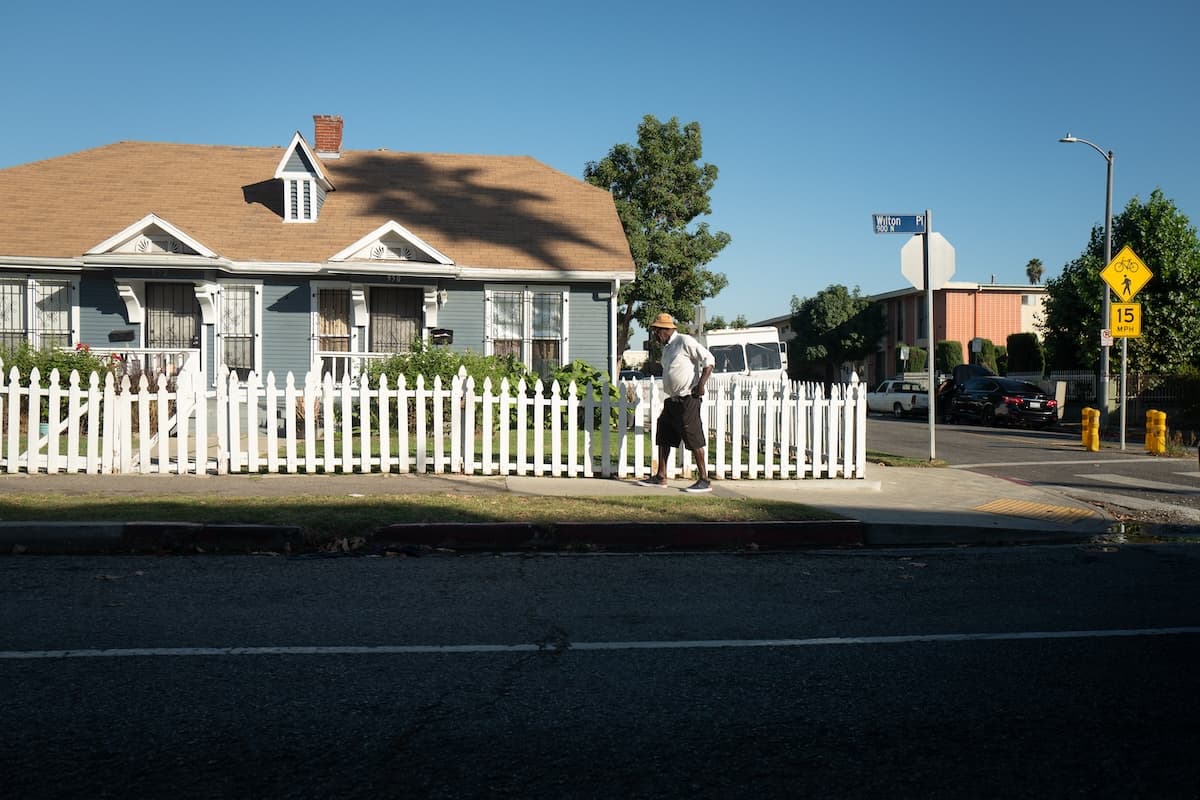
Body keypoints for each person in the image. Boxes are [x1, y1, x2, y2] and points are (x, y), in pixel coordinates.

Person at [637, 313, 715, 493]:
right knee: (663, 432)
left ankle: (704, 479)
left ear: (666, 330)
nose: (655, 335)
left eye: (657, 331)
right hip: (672, 400)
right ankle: (661, 476)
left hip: (688, 397)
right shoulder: (667, 348)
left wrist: (701, 385)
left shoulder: (684, 341)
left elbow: (709, 360)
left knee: (692, 436)